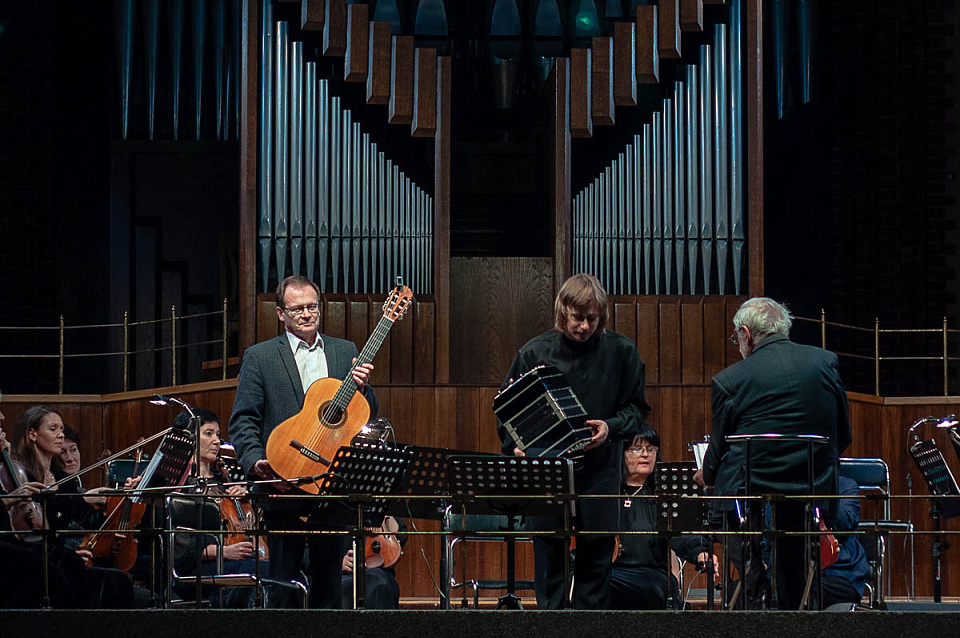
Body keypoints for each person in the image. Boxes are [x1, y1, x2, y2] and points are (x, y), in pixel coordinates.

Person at [497, 273, 650, 609]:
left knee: (594, 574)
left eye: (591, 319)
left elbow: (637, 410)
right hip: (546, 474)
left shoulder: (622, 352)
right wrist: (517, 447)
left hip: (599, 473)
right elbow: (507, 413)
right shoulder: (534, 352)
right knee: (550, 573)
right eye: (577, 318)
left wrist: (610, 427)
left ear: (602, 316)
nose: (583, 327)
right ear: (562, 312)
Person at [229, 275, 378, 608]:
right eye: (297, 309)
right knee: (283, 589)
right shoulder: (260, 357)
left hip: (330, 487)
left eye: (312, 306)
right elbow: (243, 420)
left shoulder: (345, 351)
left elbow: (364, 415)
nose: (307, 314)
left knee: (330, 589)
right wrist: (256, 462)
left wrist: (365, 388)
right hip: (283, 487)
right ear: (281, 313)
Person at [694, 297, 852, 610]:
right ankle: (794, 603)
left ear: (745, 333)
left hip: (752, 482)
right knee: (792, 521)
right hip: (809, 482)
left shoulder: (729, 380)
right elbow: (842, 433)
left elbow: (721, 445)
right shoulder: (825, 363)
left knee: (724, 510)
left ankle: (755, 581)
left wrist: (707, 473)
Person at [6, 406, 135, 608]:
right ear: (32, 434)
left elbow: (91, 521)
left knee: (119, 582)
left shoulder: (65, 480)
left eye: (62, 429)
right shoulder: (21, 475)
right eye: (53, 429)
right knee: (71, 570)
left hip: (61, 554)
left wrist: (117, 499)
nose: (60, 435)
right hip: (36, 550)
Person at [168, 408, 269, 607]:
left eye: (218, 435)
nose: (217, 441)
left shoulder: (223, 484)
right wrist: (225, 551)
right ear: (189, 439)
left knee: (276, 569)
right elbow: (180, 548)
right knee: (255, 571)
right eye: (208, 434)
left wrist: (245, 501)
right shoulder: (180, 485)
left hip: (231, 562)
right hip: (197, 569)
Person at [611, 425, 718, 610]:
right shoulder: (610, 495)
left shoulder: (662, 494)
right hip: (613, 570)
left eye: (650, 449)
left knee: (646, 589)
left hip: (650, 573)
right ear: (623, 454)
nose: (645, 454)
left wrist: (699, 552)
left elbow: (678, 534)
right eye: (637, 449)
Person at [339, 515, 406, 609]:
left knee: (378, 582)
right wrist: (339, 563)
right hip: (345, 574)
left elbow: (401, 537)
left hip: (381, 572)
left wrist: (388, 514)